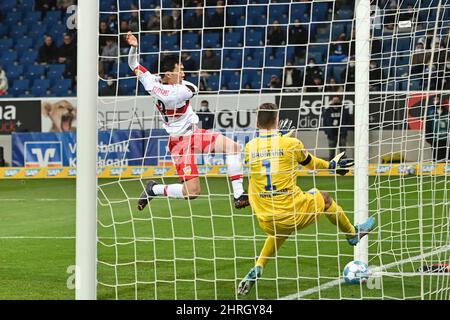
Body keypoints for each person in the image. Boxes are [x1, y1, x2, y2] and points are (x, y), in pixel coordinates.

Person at [237, 103, 375, 295]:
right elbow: (310, 164)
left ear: (257, 122)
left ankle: (259, 266)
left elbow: (263, 161)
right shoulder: (291, 144)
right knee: (325, 199)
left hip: (266, 219)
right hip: (292, 212)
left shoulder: (249, 148)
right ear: (276, 120)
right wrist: (331, 166)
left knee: (279, 230)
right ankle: (352, 233)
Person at [126, 32, 249, 210]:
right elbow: (193, 88)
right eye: (180, 70)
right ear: (169, 74)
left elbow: (133, 64)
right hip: (180, 143)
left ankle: (239, 195)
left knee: (233, 147)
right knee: (192, 192)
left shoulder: (150, 82)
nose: (183, 73)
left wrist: (133, 48)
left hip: (195, 134)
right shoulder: (179, 92)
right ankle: (154, 189)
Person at [323, 96, 351, 160]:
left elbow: (348, 120)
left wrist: (344, 130)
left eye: (337, 100)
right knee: (331, 153)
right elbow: (325, 122)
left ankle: (343, 166)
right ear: (332, 101)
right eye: (334, 100)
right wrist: (327, 132)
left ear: (340, 101)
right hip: (331, 135)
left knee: (343, 152)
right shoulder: (328, 111)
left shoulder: (344, 110)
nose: (335, 102)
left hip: (342, 134)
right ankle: (331, 167)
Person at [426, 95, 450, 162]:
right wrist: (429, 138)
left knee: (446, 157)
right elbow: (428, 128)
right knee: (437, 157)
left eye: (440, 109)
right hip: (436, 140)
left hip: (445, 140)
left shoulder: (447, 117)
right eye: (438, 109)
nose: (439, 111)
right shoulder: (431, 117)